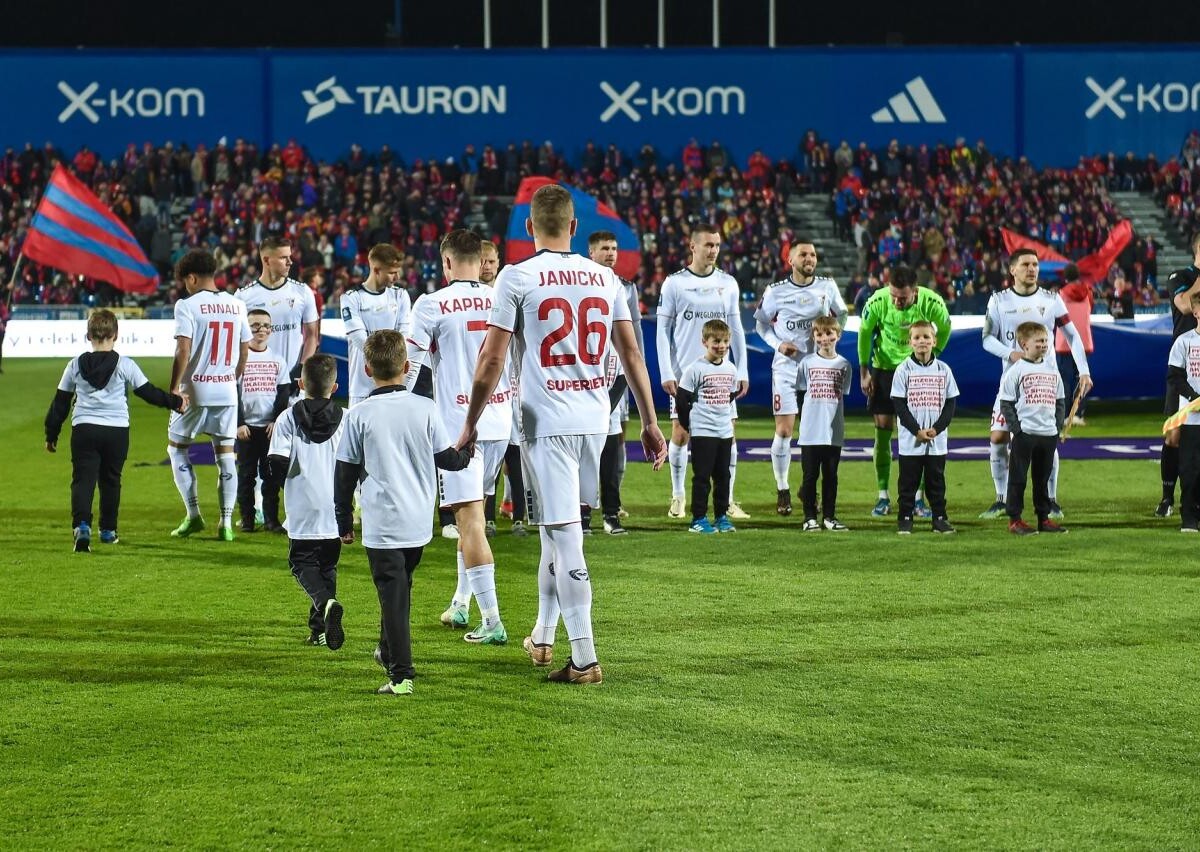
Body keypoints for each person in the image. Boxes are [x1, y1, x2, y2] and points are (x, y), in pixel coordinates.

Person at [454, 183, 667, 686]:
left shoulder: (517, 276)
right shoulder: (604, 277)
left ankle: (586, 656)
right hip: (596, 422)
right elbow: (632, 355)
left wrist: (470, 423)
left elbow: (492, 359)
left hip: (547, 424)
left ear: (529, 228)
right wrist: (651, 421)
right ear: (574, 228)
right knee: (557, 531)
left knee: (566, 537)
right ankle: (544, 635)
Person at [333, 331, 472, 696]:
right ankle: (387, 650)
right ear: (407, 367)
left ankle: (401, 674)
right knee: (399, 588)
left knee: (393, 593)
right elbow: (447, 459)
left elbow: (345, 472)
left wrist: (343, 519)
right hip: (417, 522)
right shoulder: (426, 407)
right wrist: (468, 452)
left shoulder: (359, 414)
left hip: (381, 522)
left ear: (366, 369)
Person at [406, 230, 511, 645]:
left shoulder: (431, 303)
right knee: (475, 518)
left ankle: (492, 619)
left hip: (459, 429)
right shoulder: (501, 298)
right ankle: (461, 601)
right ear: (480, 259)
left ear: (446, 262)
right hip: (500, 421)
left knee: (468, 522)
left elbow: (411, 365)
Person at [44, 309, 186, 552]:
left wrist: (51, 434)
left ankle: (81, 527)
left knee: (83, 480)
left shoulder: (74, 365)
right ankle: (108, 530)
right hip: (116, 431)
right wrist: (176, 402)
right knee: (111, 481)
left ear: (88, 335)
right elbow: (149, 393)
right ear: (116, 335)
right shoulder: (125, 364)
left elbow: (60, 402)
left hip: (84, 429)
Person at [979, 249, 1091, 521]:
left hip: (1043, 383)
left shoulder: (1051, 300)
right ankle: (1001, 499)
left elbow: (1073, 336)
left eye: (1035, 264)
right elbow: (986, 338)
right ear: (1012, 270)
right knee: (997, 438)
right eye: (1026, 264)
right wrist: (1011, 354)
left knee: (1046, 441)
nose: (1032, 269)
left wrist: (1084, 371)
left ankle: (1051, 500)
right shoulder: (999, 300)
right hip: (1012, 382)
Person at [657, 224, 749, 521]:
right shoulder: (674, 284)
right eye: (708, 244)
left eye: (717, 245)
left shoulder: (728, 283)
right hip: (686, 376)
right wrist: (666, 371)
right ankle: (678, 496)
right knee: (681, 435)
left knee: (728, 436)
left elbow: (737, 330)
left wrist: (743, 370)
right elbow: (662, 330)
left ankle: (729, 500)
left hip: (721, 376)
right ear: (692, 246)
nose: (713, 250)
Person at [754, 241, 847, 516]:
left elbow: (841, 314)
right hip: (786, 367)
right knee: (785, 431)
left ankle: (809, 489)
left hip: (818, 369)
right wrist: (778, 345)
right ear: (790, 260)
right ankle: (783, 489)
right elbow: (761, 324)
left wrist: (832, 338)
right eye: (804, 254)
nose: (810, 259)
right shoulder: (775, 291)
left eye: (813, 255)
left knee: (818, 433)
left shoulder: (827, 287)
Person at [168, 249, 252, 541]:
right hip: (227, 389)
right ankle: (226, 523)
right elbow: (244, 351)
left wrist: (174, 388)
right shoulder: (237, 304)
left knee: (177, 449)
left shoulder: (186, 306)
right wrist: (231, 378)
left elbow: (183, 350)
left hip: (195, 390)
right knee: (226, 454)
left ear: (191, 278)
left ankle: (193, 516)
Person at [857, 265, 951, 517]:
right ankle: (882, 496)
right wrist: (864, 371)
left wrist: (934, 356)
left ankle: (918, 500)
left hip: (916, 371)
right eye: (894, 296)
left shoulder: (932, 302)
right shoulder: (877, 301)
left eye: (903, 297)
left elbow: (945, 328)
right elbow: (865, 333)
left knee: (918, 433)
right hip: (885, 369)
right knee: (884, 432)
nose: (897, 302)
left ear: (915, 292)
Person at [267, 354, 346, 648]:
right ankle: (319, 630)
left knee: (301, 564)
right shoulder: (347, 418)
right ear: (335, 386)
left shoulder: (287, 418)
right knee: (327, 567)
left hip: (302, 504)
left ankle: (325, 605)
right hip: (336, 506)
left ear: (300, 383)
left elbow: (277, 462)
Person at [588, 229, 644, 535]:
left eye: (614, 249)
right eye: (605, 249)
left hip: (611, 384)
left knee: (611, 453)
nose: (611, 253)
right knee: (583, 459)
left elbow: (632, 339)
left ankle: (611, 514)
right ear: (591, 253)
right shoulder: (580, 285)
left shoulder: (626, 288)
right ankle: (582, 517)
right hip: (581, 389)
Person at [891, 320, 959, 535]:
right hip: (911, 439)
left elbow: (950, 404)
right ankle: (905, 518)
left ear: (934, 341)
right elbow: (899, 405)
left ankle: (939, 519)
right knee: (908, 482)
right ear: (910, 342)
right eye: (917, 338)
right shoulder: (903, 370)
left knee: (936, 481)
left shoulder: (944, 370)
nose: (922, 341)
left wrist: (937, 429)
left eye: (926, 337)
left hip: (936, 440)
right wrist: (916, 431)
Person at [1000, 322, 1067, 535]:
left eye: (1046, 340)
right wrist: (1017, 430)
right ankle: (1015, 519)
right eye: (1039, 341)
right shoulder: (1016, 371)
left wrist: (1056, 426)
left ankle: (1043, 518)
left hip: (1048, 434)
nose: (1044, 344)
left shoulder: (1052, 370)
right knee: (1018, 478)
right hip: (1025, 434)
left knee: (1042, 479)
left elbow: (1060, 401)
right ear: (1023, 344)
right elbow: (1006, 403)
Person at [675, 320, 738, 534]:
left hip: (724, 431)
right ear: (705, 342)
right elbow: (682, 399)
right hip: (703, 431)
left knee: (723, 476)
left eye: (725, 341)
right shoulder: (695, 369)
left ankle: (721, 516)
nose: (721, 346)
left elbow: (730, 396)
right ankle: (698, 518)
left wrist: (728, 423)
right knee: (702, 477)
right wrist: (687, 424)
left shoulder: (730, 368)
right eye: (716, 341)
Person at [235, 236, 320, 394]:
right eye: (283, 258)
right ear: (266, 260)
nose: (290, 262)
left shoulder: (303, 292)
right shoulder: (243, 297)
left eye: (290, 257)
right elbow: (237, 343)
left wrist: (301, 370)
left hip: (293, 380)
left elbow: (312, 336)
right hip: (257, 383)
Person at [795, 316, 852, 532]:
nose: (824, 338)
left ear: (838, 335)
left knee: (831, 475)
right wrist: (806, 419)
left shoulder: (844, 365)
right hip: (810, 430)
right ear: (814, 336)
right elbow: (801, 391)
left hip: (833, 429)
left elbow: (841, 395)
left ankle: (829, 516)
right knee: (810, 476)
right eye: (819, 334)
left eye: (829, 334)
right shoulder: (806, 363)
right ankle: (809, 517)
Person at [236, 309, 291, 533]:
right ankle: (247, 519)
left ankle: (271, 520)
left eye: (266, 325)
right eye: (255, 325)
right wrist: (239, 423)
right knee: (246, 476)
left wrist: (276, 421)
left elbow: (284, 392)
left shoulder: (277, 360)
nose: (261, 330)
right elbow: (232, 393)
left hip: (270, 430)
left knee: (271, 478)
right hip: (246, 430)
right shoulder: (239, 360)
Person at [1158, 233, 1200, 518]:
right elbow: (1185, 305)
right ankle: (1167, 497)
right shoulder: (1180, 276)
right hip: (1186, 363)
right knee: (1174, 437)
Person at [339, 244, 412, 407]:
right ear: (377, 270)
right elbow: (360, 340)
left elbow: (404, 335)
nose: (397, 277)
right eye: (392, 272)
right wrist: (387, 365)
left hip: (394, 384)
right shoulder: (352, 298)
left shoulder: (400, 295)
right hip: (362, 386)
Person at [1167, 292, 1200, 532]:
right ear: (1196, 312)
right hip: (1191, 417)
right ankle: (1189, 517)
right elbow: (1175, 377)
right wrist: (1194, 398)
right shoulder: (1184, 342)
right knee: (1190, 468)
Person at [1053, 264, 1094, 427]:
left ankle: (1064, 416)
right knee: (1082, 378)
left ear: (1065, 277)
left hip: (1064, 342)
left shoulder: (1060, 294)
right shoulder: (1088, 293)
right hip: (1083, 341)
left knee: (1064, 380)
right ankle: (1078, 414)